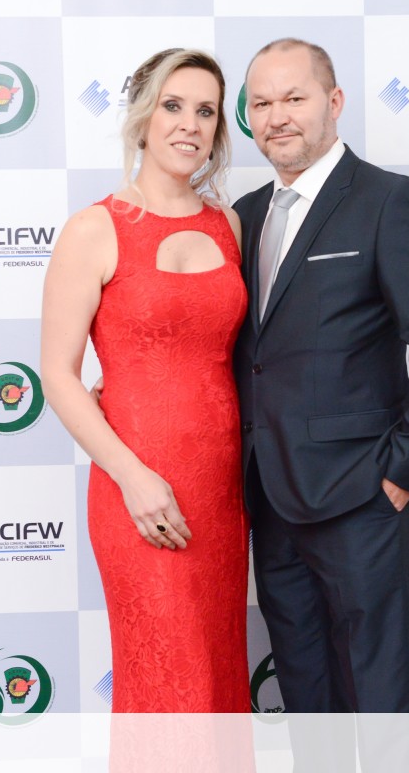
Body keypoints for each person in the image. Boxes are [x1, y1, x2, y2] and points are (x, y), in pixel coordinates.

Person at [234, 37, 409, 723]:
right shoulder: (243, 216)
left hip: (363, 498)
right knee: (307, 693)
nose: (277, 116)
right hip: (270, 499)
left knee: (378, 694)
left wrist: (404, 470)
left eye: (294, 97)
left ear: (334, 102)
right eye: (261, 103)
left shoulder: (390, 201)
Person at [40, 48, 250, 713]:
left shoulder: (229, 224)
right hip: (136, 490)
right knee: (165, 681)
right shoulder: (94, 228)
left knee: (217, 676)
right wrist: (133, 477)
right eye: (173, 105)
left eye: (207, 111)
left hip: (222, 491)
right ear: (141, 117)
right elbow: (57, 375)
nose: (190, 124)